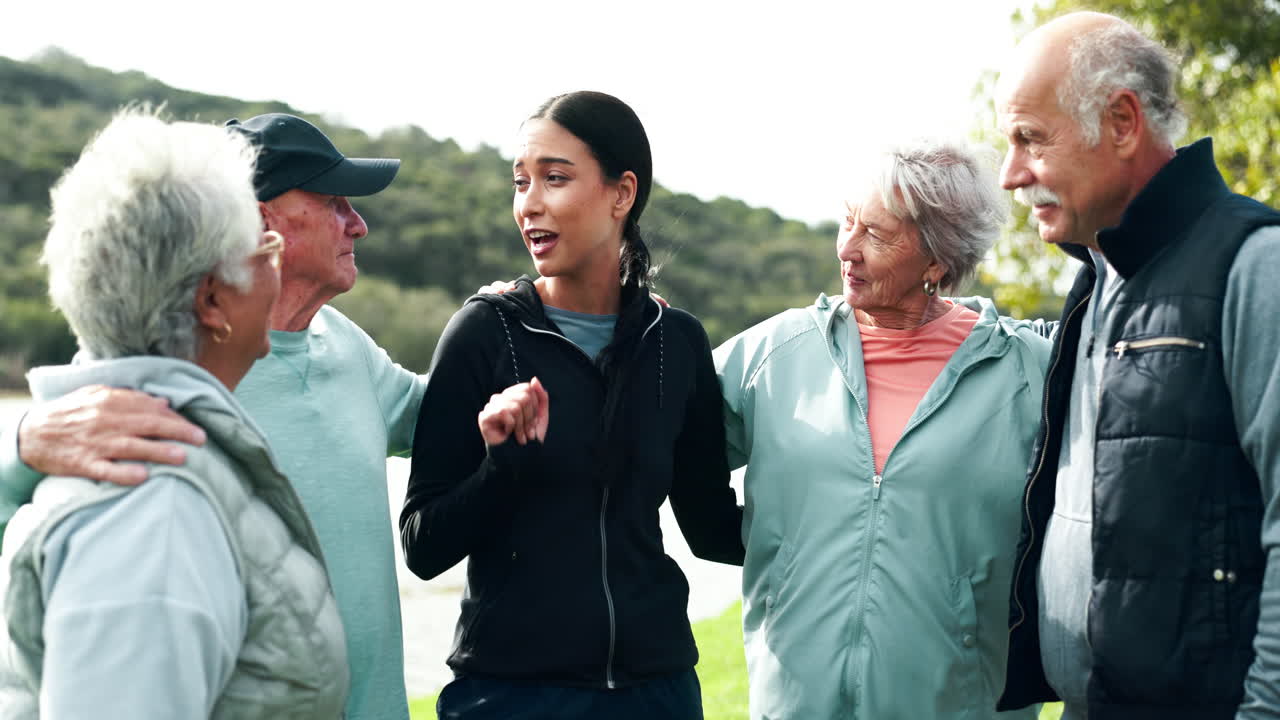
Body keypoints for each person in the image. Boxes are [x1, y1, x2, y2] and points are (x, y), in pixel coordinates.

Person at [0, 113, 422, 720]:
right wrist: (20, 439)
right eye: (262, 250)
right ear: (213, 295)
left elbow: (442, 412)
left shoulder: (344, 346)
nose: (357, 222)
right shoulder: (144, 476)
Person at [400, 90, 744, 720]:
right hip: (508, 694)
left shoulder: (674, 343)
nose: (529, 203)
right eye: (520, 181)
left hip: (658, 690)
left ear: (622, 194)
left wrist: (839, 515)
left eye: (555, 179)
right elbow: (423, 548)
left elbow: (712, 527)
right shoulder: (486, 333)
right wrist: (502, 465)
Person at [993, 12, 1280, 719]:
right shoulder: (1095, 276)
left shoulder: (1257, 266)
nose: (1010, 175)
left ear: (1122, 122)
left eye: (1031, 139)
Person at [712, 139, 1049, 719]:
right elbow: (651, 430)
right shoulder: (775, 351)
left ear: (937, 261)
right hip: (797, 703)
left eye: (877, 234)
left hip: (958, 704)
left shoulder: (1027, 372)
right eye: (848, 221)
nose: (848, 248)